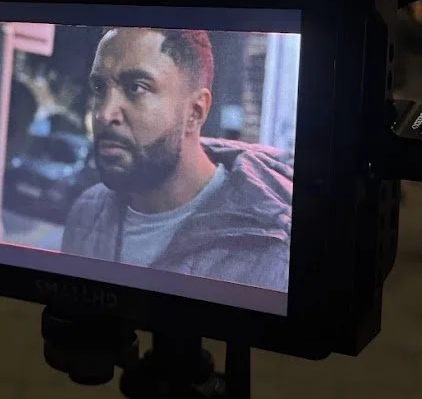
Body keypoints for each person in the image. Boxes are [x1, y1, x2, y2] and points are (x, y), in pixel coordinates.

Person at [61, 28, 293, 291]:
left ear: (195, 112)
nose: (104, 113)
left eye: (136, 87)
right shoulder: (86, 213)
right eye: (100, 88)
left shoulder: (272, 250)